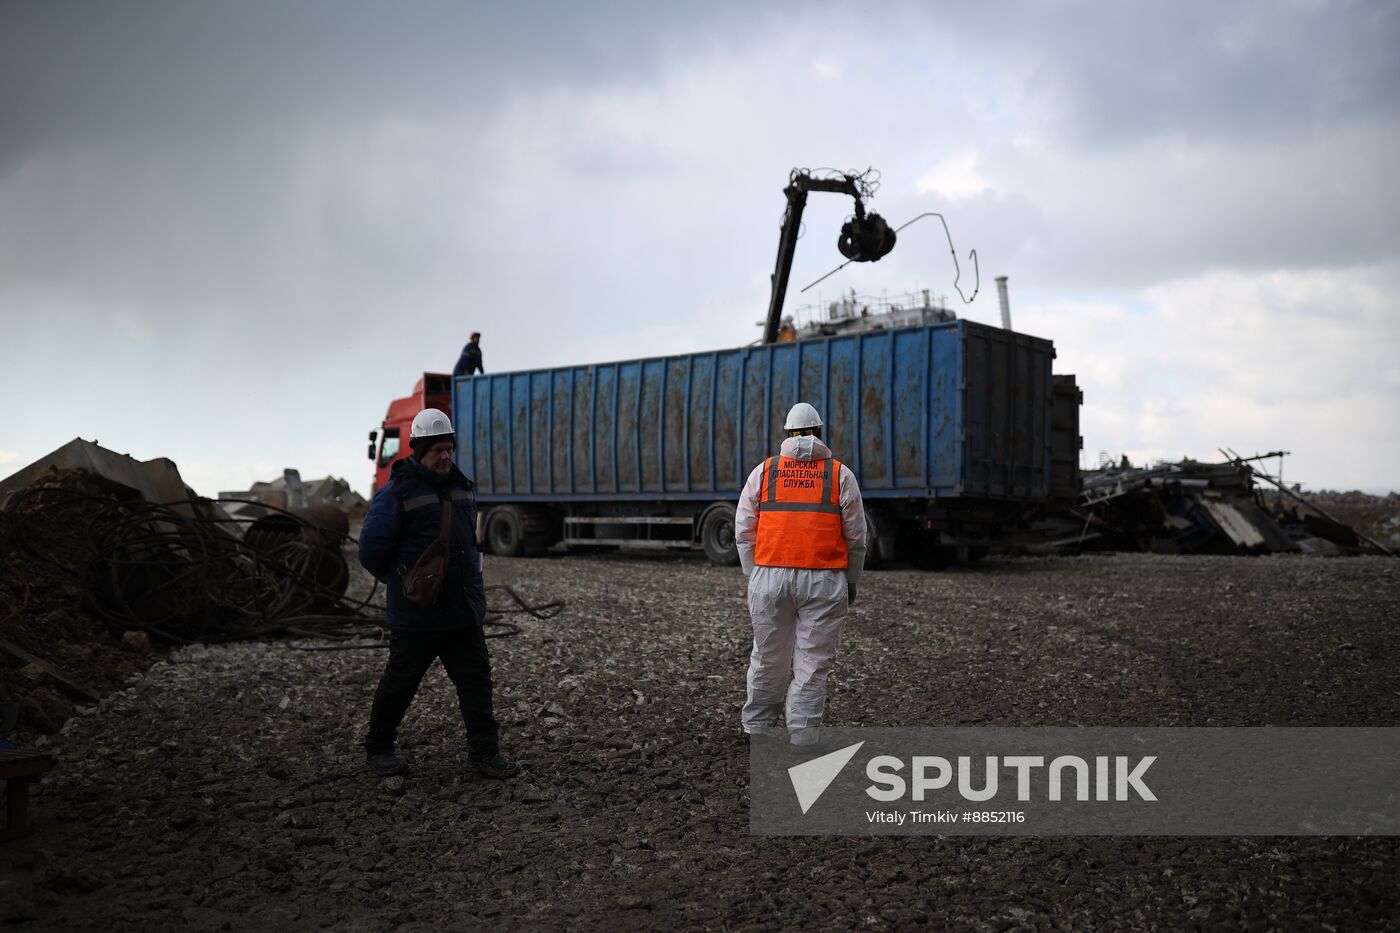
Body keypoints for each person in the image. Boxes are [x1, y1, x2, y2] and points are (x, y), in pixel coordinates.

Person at [358, 407, 520, 779]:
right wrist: (403, 583)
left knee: (476, 682)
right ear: (418, 450)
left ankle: (484, 753)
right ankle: (379, 748)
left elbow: (469, 547)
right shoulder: (397, 492)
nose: (446, 456)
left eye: (449, 448)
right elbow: (371, 551)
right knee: (400, 683)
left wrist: (475, 598)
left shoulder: (462, 487)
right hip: (417, 615)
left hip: (461, 612)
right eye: (437, 451)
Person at [734, 402, 866, 746]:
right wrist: (852, 581)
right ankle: (803, 737)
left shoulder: (764, 471)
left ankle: (758, 730)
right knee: (812, 663)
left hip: (769, 577)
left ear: (787, 433)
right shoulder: (840, 474)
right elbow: (857, 537)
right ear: (819, 432)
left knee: (767, 656)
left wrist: (754, 573)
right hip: (824, 580)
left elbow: (743, 530)